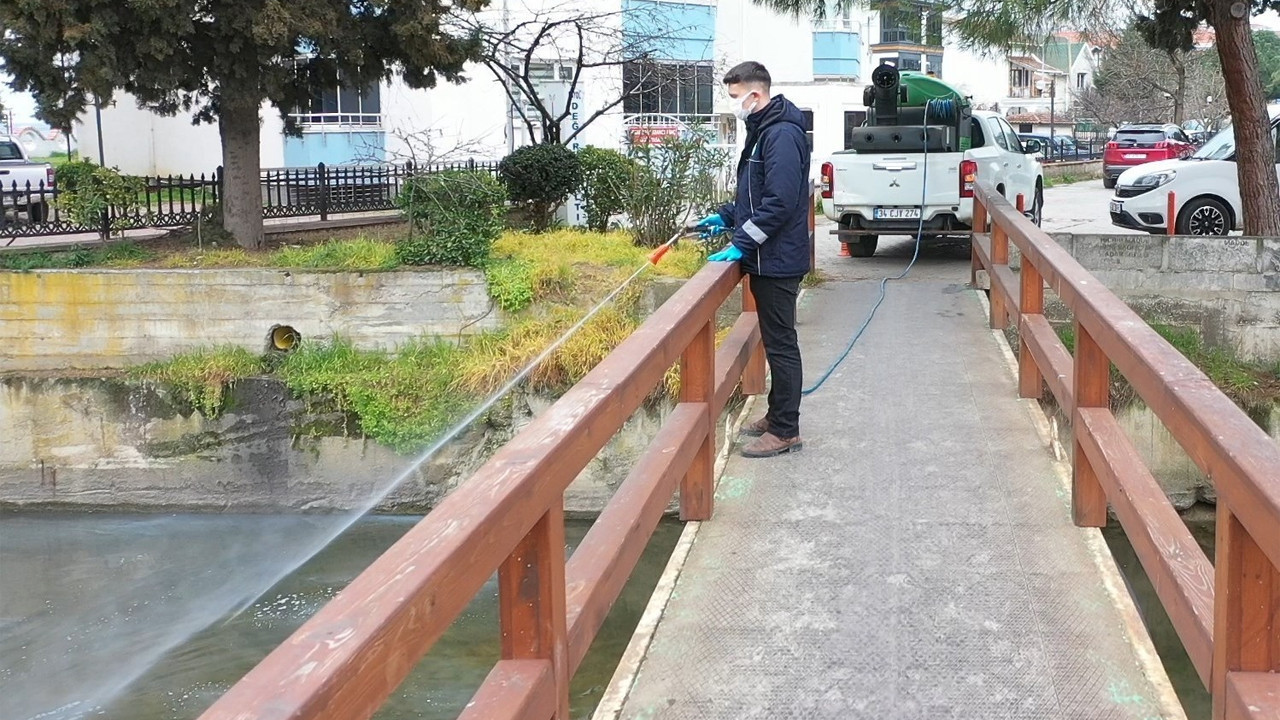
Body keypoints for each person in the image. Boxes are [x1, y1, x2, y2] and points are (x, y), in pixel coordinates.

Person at [696, 61, 811, 458]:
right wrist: (727, 216)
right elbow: (756, 195)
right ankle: (777, 415)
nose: (733, 104)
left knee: (781, 345)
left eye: (734, 97)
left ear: (755, 94)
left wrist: (742, 242)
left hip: (777, 260)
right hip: (768, 257)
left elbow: (779, 202)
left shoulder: (780, 134)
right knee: (777, 340)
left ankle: (785, 430)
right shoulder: (763, 129)